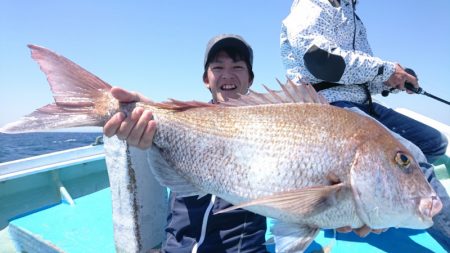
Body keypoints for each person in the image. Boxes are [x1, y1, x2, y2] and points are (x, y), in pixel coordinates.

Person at [280, 0, 450, 249]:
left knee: (435, 141)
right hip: (329, 102)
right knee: (410, 155)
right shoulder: (311, 7)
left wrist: (391, 82)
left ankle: (379, 198)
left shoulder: (352, 16)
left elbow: (359, 76)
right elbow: (320, 59)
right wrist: (387, 70)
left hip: (363, 103)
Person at [105, 34, 269, 253]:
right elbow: (160, 120)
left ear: (250, 79)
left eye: (238, 67)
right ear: (206, 79)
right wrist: (138, 115)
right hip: (176, 246)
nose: (227, 75)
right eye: (217, 68)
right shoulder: (185, 120)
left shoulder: (270, 127)